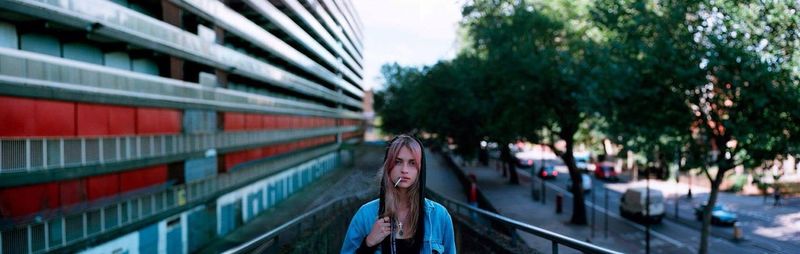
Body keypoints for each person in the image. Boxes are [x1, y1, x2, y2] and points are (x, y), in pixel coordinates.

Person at [341, 135, 456, 254]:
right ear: (388, 166)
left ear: (420, 169)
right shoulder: (365, 215)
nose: (404, 170)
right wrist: (368, 244)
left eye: (412, 163)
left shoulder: (439, 215)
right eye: (398, 162)